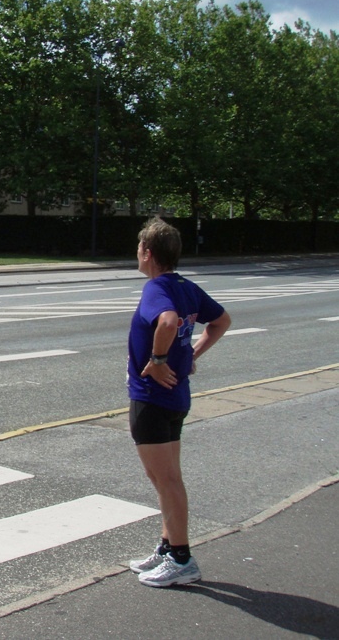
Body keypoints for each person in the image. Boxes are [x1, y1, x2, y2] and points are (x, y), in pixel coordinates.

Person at [126, 217, 230, 587]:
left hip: (152, 398)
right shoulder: (185, 286)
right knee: (166, 478)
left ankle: (182, 559)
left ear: (148, 253)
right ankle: (168, 548)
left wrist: (156, 361)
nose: (137, 255)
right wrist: (191, 355)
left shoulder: (157, 288)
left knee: (165, 479)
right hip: (175, 396)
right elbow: (221, 321)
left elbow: (167, 323)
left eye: (139, 249)